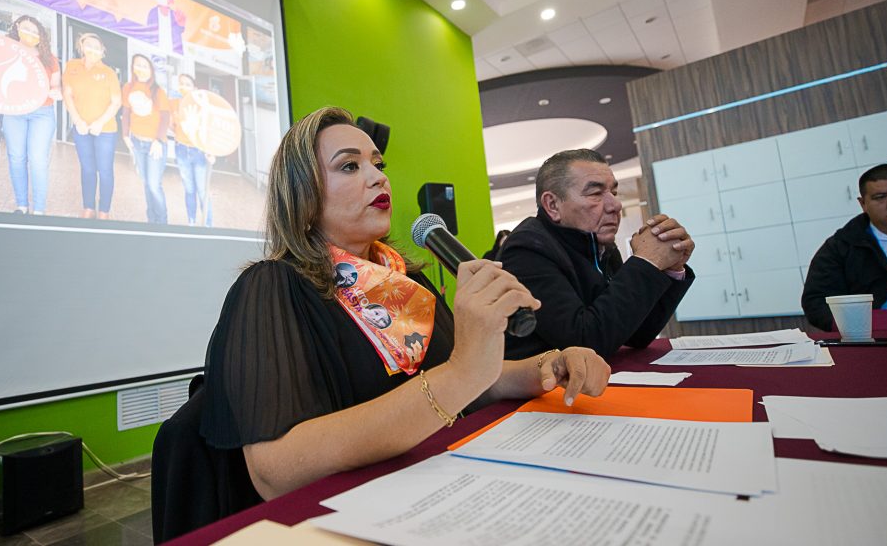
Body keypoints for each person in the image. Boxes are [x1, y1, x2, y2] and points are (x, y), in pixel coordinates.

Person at [195, 107, 611, 511]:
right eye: (350, 166)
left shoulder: (406, 281)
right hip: (361, 509)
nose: (379, 177)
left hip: (446, 480)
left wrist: (546, 367)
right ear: (302, 196)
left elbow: (473, 378)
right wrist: (460, 371)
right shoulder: (271, 286)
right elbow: (276, 471)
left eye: (378, 164)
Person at [500, 149, 695, 360]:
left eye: (614, 193)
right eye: (595, 194)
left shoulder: (599, 244)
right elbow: (584, 343)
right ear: (553, 205)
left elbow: (637, 334)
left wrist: (670, 269)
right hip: (541, 380)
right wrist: (647, 262)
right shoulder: (527, 249)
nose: (616, 205)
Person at [802, 164, 887, 330]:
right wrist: (857, 329)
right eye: (880, 197)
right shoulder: (840, 247)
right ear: (863, 204)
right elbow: (816, 302)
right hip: (876, 335)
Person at [2, 15, 60, 215]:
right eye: (27, 28)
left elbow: (56, 85)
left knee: (38, 159)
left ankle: (39, 210)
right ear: (17, 27)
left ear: (41, 36)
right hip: (14, 112)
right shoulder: (6, 51)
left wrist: (57, 91)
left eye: (35, 32)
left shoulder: (49, 59)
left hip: (42, 113)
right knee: (16, 157)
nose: (30, 34)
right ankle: (22, 206)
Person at [62, 33, 121, 219]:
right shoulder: (72, 66)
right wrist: (77, 120)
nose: (93, 50)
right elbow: (67, 94)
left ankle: (104, 211)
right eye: (89, 45)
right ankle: (88, 207)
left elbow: (116, 102)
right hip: (81, 128)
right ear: (81, 46)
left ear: (103, 51)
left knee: (105, 171)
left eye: (97, 47)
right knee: (87, 169)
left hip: (105, 130)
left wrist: (99, 123)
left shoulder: (109, 73)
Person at [121, 54, 171, 224]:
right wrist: (125, 135)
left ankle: (162, 224)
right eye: (138, 65)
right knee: (146, 183)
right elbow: (126, 112)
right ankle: (151, 220)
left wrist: (158, 140)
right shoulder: (128, 87)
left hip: (155, 144)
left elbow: (165, 117)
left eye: (145, 66)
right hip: (137, 141)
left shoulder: (158, 91)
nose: (141, 69)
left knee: (154, 185)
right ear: (133, 67)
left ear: (151, 70)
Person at [171, 74, 215, 226]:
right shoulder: (174, 103)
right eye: (181, 83)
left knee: (202, 191)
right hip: (181, 150)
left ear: (194, 88)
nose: (183, 86)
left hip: (199, 152)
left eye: (187, 84)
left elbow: (208, 130)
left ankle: (208, 225)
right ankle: (191, 222)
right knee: (189, 189)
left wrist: (210, 151)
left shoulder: (202, 106)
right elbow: (172, 125)